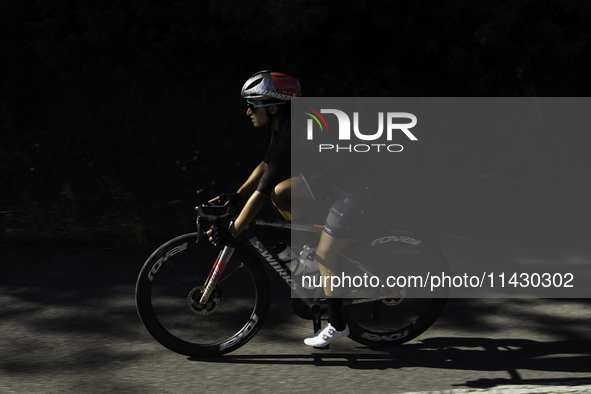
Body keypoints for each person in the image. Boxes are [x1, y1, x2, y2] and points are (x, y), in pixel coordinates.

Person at [207, 70, 374, 347]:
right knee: (281, 193)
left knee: (325, 259)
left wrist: (233, 230)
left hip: (355, 187)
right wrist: (236, 195)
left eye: (253, 105)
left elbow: (259, 196)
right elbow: (265, 166)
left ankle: (338, 324)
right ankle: (313, 248)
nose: (247, 111)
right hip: (332, 180)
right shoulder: (282, 124)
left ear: (272, 107)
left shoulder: (294, 129)